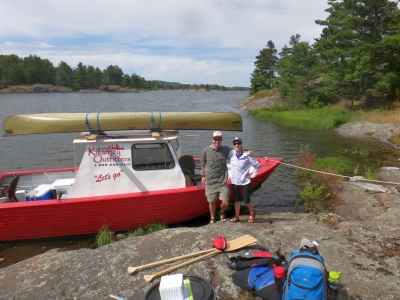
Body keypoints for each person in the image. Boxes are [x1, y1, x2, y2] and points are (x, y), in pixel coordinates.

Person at [201, 131, 231, 224]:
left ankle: (221, 212)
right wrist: (203, 176)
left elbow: (237, 150)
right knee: (211, 201)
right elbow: (202, 164)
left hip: (222, 180)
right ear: (212, 139)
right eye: (215, 139)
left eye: (219, 139)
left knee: (226, 202)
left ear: (221, 140)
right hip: (210, 181)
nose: (217, 141)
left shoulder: (226, 149)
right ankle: (213, 218)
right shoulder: (206, 150)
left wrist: (248, 152)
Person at [228, 137, 260, 223]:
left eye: (238, 143)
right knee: (236, 199)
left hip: (245, 181)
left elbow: (257, 165)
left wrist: (252, 175)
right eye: (235, 144)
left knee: (246, 199)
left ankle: (252, 214)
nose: (236, 145)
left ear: (241, 144)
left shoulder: (247, 154)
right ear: (233, 145)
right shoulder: (231, 153)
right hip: (235, 180)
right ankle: (237, 216)